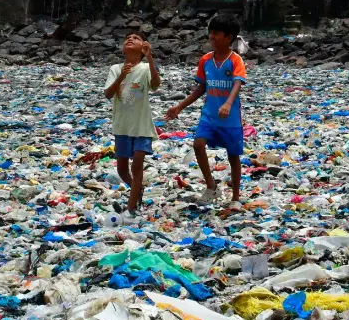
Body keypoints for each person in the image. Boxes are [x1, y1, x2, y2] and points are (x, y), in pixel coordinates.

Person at [166, 15, 246, 205]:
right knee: (198, 144)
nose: (211, 36)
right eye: (211, 32)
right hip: (209, 115)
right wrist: (180, 106)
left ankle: (235, 197)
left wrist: (227, 103)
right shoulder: (205, 60)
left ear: (229, 37)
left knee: (233, 156)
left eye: (216, 33)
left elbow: (237, 83)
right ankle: (211, 187)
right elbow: (201, 88)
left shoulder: (235, 60)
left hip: (230, 118)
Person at [104, 31, 161, 217]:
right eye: (127, 38)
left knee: (137, 165)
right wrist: (121, 76)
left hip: (141, 126)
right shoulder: (115, 68)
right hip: (122, 126)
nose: (130, 39)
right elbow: (108, 94)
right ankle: (137, 189)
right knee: (122, 169)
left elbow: (155, 84)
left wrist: (151, 59)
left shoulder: (145, 68)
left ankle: (131, 208)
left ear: (143, 48)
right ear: (123, 49)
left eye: (136, 38)